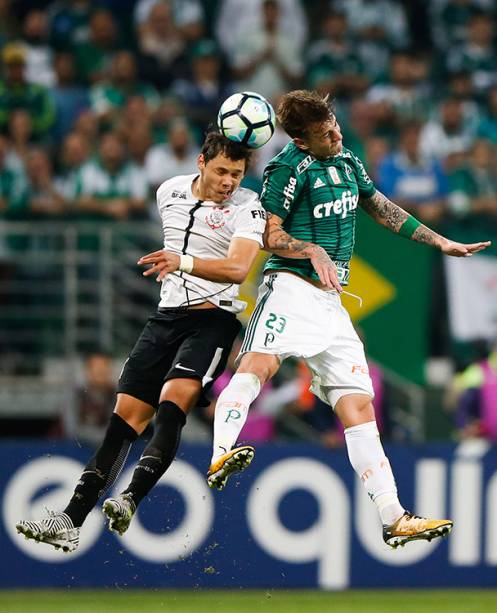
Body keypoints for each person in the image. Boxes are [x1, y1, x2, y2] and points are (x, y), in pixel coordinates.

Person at [207, 90, 491, 549]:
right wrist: (310, 249)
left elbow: (380, 207)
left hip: (331, 303)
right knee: (259, 365)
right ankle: (221, 454)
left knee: (359, 406)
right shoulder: (286, 169)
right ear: (300, 139)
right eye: (324, 133)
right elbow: (268, 231)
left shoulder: (346, 160)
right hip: (290, 288)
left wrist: (439, 241)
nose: (337, 134)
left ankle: (394, 516)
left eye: (335, 124)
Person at [16, 132, 266, 552]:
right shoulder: (168, 191)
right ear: (201, 162)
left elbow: (239, 268)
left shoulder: (248, 207)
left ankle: (131, 498)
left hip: (213, 322)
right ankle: (70, 520)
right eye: (222, 171)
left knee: (172, 406)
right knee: (124, 421)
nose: (229, 182)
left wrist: (182, 261)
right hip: (164, 320)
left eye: (237, 174)